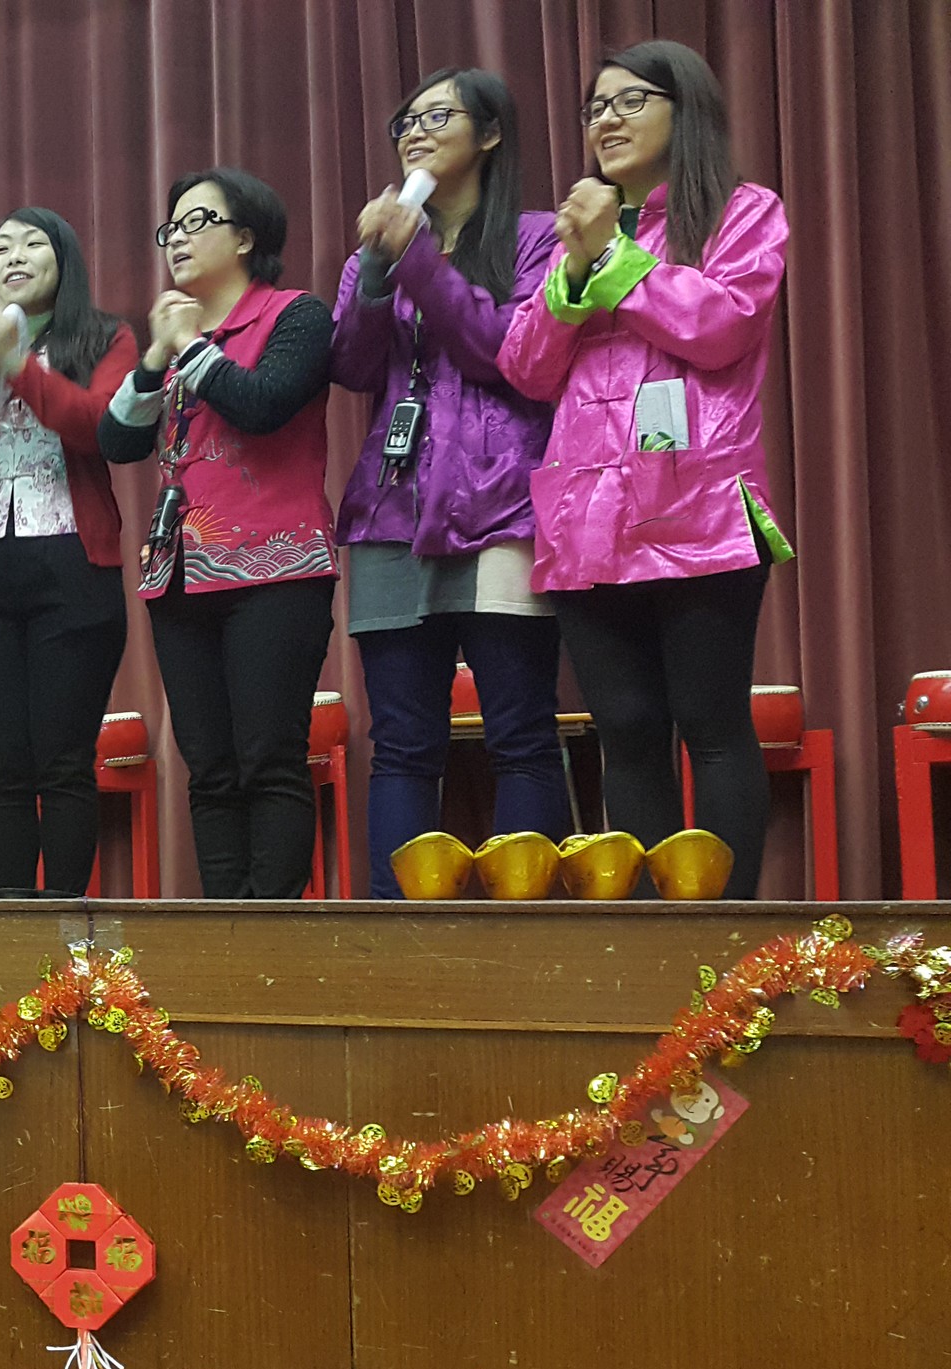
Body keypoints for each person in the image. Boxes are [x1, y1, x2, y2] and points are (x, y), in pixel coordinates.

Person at [501, 40, 790, 899]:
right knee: (625, 729)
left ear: (684, 109)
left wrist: (616, 260)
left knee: (710, 723)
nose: (606, 120)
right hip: (587, 520)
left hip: (700, 510)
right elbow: (526, 368)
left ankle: (725, 931)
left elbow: (720, 326)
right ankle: (649, 934)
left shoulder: (742, 211)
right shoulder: (579, 236)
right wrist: (577, 266)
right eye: (596, 107)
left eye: (630, 101)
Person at [330, 69, 570, 898]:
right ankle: (397, 935)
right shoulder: (378, 249)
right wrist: (376, 270)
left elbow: (504, 352)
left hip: (504, 501)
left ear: (490, 133)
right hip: (389, 508)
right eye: (406, 121)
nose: (415, 132)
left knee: (521, 733)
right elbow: (354, 364)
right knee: (401, 744)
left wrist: (418, 259)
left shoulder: (538, 239)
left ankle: (527, 933)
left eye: (438, 116)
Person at [100, 168, 337, 898]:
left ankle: (271, 936)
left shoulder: (295, 315)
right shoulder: (176, 341)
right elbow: (117, 441)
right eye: (171, 227)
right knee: (209, 771)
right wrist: (155, 357)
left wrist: (191, 346)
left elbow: (262, 404)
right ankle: (222, 933)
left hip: (276, 571)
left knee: (269, 759)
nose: (178, 238)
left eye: (198, 221)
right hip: (178, 575)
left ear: (246, 237)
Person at [0, 210, 140, 896]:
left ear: (63, 258)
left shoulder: (105, 337)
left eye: (32, 244)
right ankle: (9, 926)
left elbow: (99, 428)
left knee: (65, 763)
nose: (13, 256)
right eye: (1, 247)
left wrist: (21, 366)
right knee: (3, 768)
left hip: (75, 568)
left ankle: (68, 926)